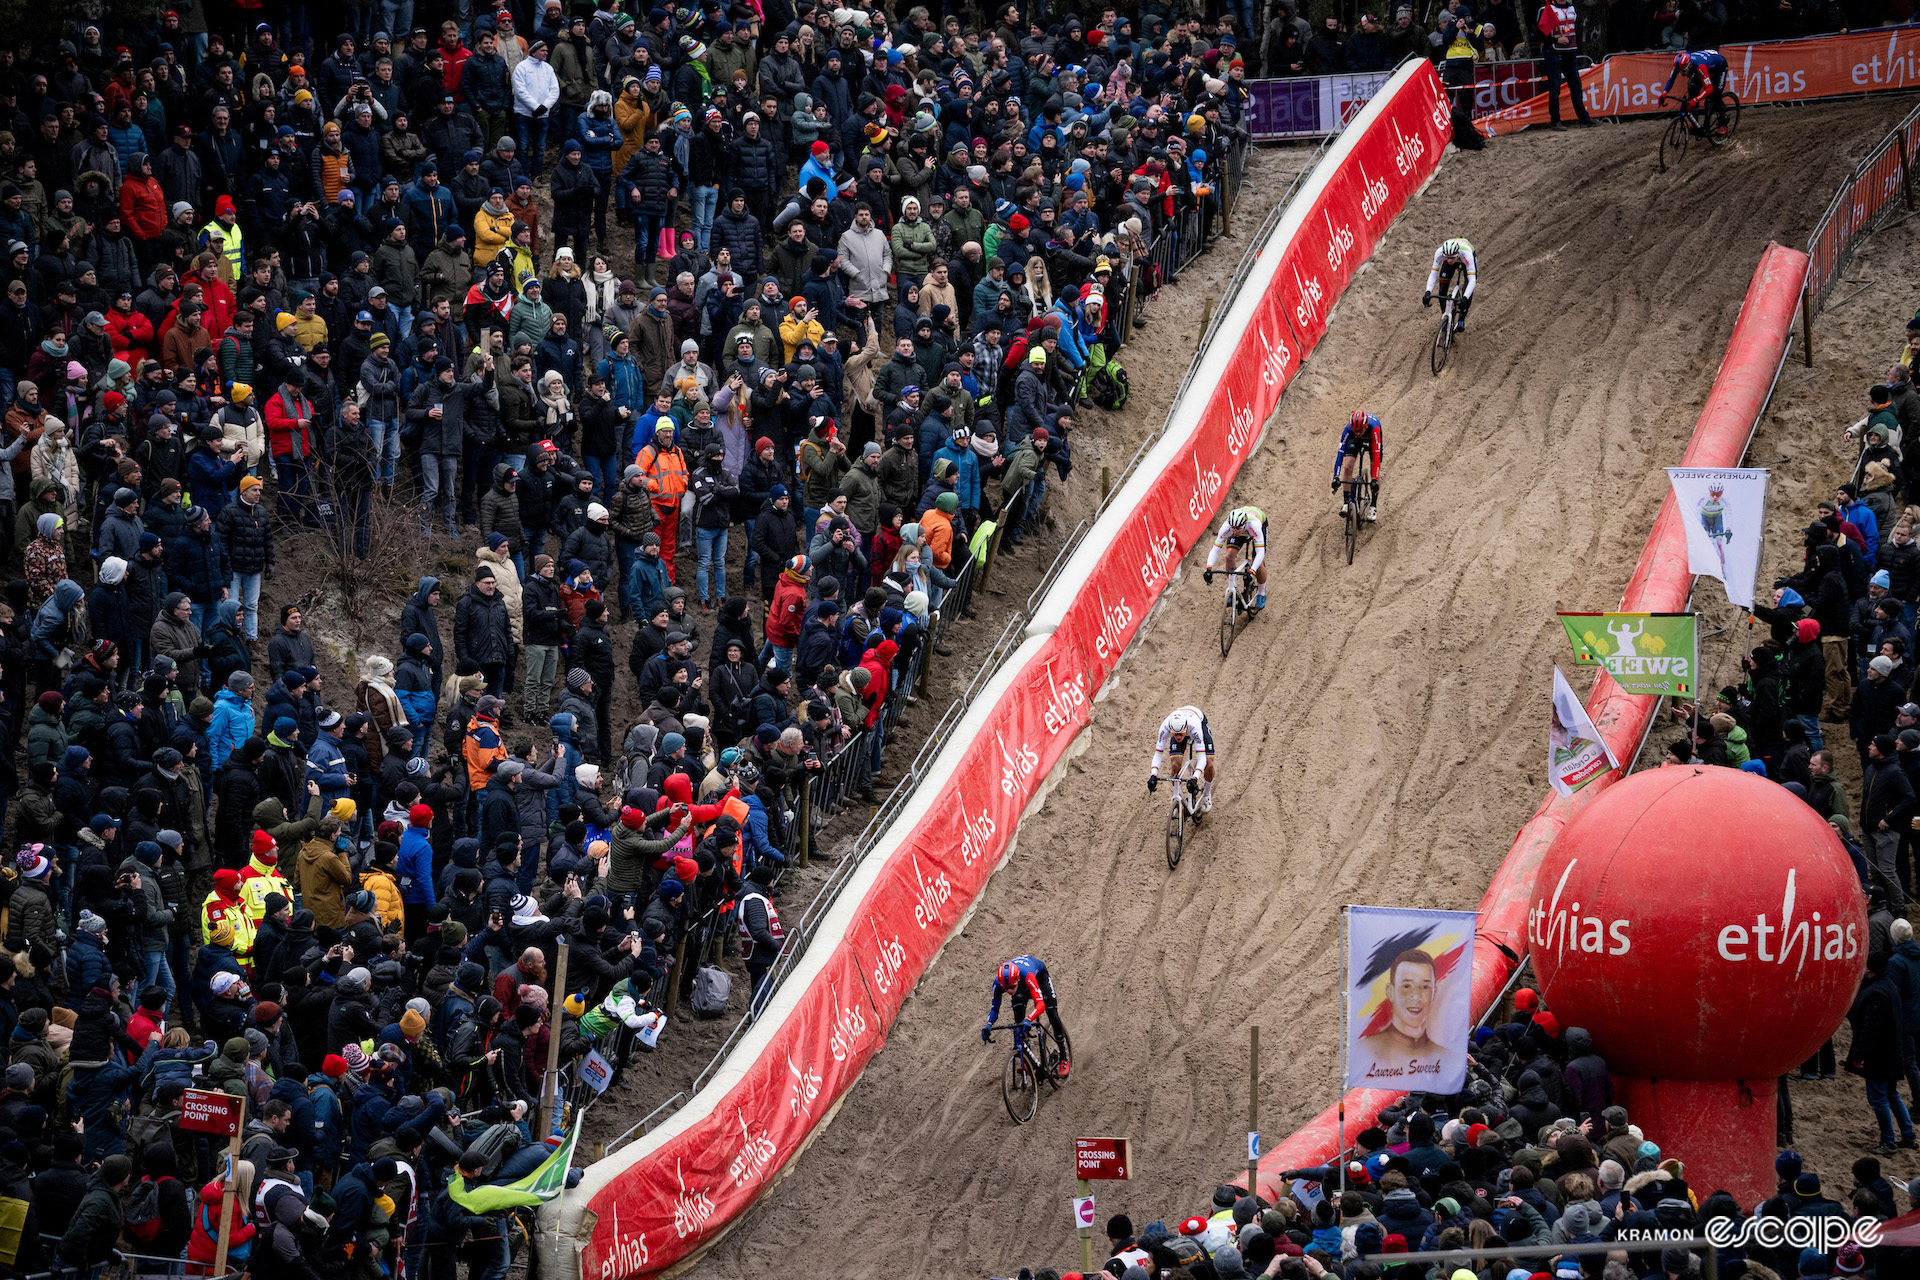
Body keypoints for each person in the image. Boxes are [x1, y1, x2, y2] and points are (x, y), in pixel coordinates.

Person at [980, 955, 1069, 1079]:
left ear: (1016, 980)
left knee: (1052, 1013)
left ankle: (1064, 1057)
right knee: (1018, 1021)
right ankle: (1026, 1057)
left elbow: (1040, 1005)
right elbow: (994, 1008)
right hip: (1021, 986)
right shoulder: (998, 984)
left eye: (1012, 987)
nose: (1009, 991)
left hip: (1038, 979)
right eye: (1006, 989)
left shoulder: (1027, 976)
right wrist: (988, 1024)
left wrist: (1029, 1019)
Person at [1147, 705, 1215, 813]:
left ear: (1186, 728)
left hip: (1198, 719)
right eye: (1175, 734)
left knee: (1209, 763)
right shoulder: (1165, 727)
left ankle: (1206, 794)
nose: (1178, 737)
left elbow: (1201, 757)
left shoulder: (1194, 726)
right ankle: (1175, 797)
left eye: (1180, 734)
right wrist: (1153, 774)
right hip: (1181, 724)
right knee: (1175, 764)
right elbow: (1158, 753)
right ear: (1171, 729)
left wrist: (1195, 778)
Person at [1203, 507, 1268, 612]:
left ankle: (1261, 593)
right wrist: (1209, 568)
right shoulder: (1227, 527)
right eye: (1233, 528)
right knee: (1229, 556)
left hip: (1259, 521)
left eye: (1237, 528)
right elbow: (1215, 549)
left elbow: (1261, 552)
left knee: (1258, 563)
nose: (1234, 531)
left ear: (1244, 524)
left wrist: (1252, 572)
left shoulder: (1254, 525)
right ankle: (1232, 588)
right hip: (1244, 528)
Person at [1331, 409, 1383, 523]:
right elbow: (1340, 453)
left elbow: (1376, 454)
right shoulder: (1349, 430)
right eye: (1355, 430)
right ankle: (1346, 503)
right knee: (1347, 467)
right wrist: (1336, 476)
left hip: (1371, 437)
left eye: (1360, 430)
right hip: (1355, 439)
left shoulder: (1374, 428)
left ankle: (1373, 506)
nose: (1358, 433)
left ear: (1365, 426)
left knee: (1374, 466)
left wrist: (1374, 479)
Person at [1665, 49, 1731, 135]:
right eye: (1680, 71)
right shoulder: (1679, 65)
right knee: (1692, 89)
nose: (1682, 74)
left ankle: (1723, 121)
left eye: (1684, 71)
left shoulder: (1700, 66)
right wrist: (1664, 93)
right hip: (1705, 65)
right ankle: (1695, 122)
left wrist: (1695, 100)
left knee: (1714, 95)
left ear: (1689, 65)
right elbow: (1671, 79)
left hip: (1719, 68)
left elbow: (1709, 88)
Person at [1422, 238, 1476, 332]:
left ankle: (1461, 319)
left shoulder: (1467, 254)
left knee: (1467, 288)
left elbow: (1472, 280)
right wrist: (1428, 291)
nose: (1449, 260)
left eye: (1452, 258)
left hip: (1465, 257)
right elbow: (1433, 273)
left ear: (1457, 253)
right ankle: (1445, 317)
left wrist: (1465, 298)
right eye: (1447, 257)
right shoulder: (1440, 253)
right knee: (1442, 290)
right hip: (1454, 255)